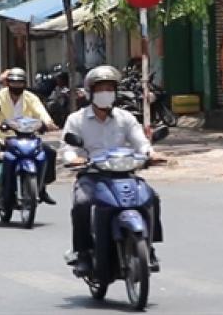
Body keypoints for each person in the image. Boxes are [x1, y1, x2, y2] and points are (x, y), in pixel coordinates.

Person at [60, 65, 164, 274]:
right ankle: (82, 253)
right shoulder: (76, 119)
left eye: (110, 88)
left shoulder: (126, 118)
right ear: (90, 92)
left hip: (124, 173)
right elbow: (67, 148)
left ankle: (149, 247)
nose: (106, 93)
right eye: (101, 89)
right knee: (82, 204)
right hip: (92, 176)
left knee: (151, 197)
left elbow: (140, 142)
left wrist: (150, 154)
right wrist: (74, 159)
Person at [0, 67, 58, 204]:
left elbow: (41, 113)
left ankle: (42, 186)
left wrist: (48, 123)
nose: (17, 86)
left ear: (25, 83)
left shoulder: (31, 98)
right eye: (13, 83)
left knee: (48, 152)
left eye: (20, 83)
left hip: (27, 137)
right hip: (2, 137)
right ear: (8, 83)